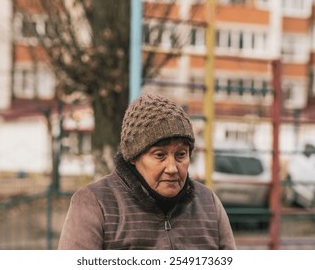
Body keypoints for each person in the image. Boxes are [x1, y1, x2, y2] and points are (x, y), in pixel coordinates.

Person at [58, 94, 236, 250]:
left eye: (181, 155)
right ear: (133, 157)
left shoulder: (209, 204)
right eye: (160, 155)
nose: (172, 168)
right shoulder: (94, 204)